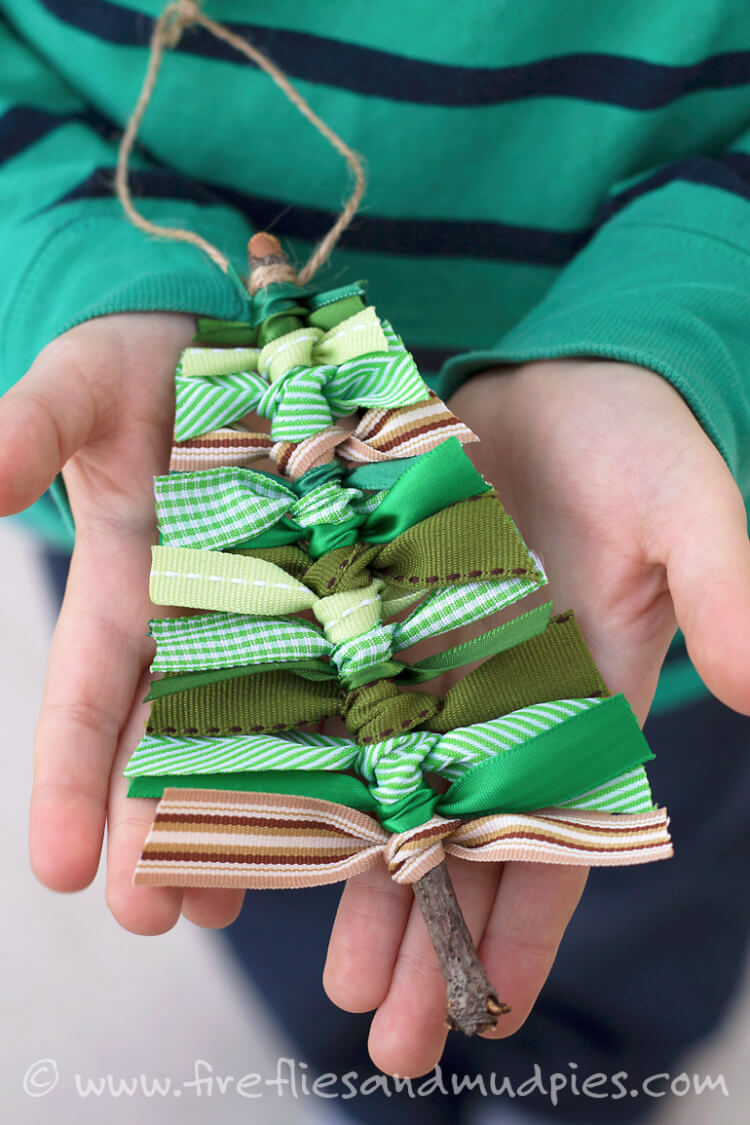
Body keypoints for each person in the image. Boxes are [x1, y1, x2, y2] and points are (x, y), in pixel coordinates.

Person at [2, 2, 750, 1120]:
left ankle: (596, 1082)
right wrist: (68, 266)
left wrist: (697, 314)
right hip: (179, 537)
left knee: (640, 918)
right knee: (306, 933)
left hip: (639, 604)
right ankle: (377, 1088)